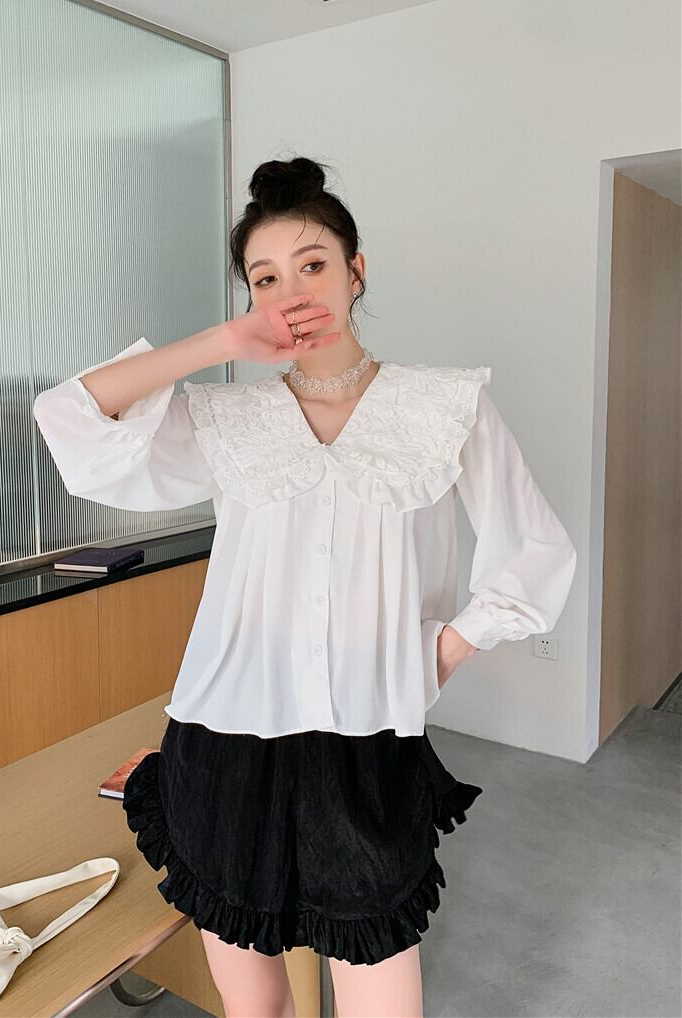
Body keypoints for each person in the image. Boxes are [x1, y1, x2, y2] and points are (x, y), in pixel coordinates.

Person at [32, 156, 578, 1018]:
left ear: (357, 271)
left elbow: (535, 546)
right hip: (223, 738)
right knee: (256, 1007)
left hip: (365, 741)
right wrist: (225, 343)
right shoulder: (225, 418)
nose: (292, 293)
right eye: (265, 278)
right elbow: (72, 420)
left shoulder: (445, 405)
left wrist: (447, 647)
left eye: (312, 264)